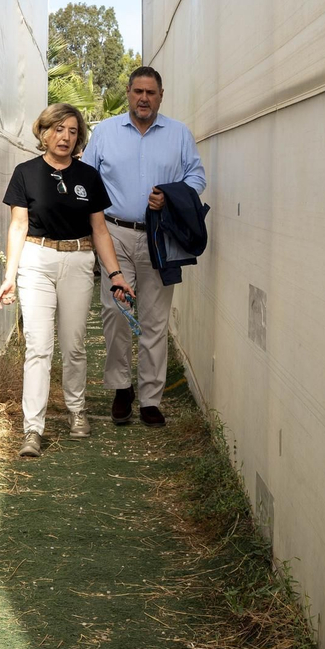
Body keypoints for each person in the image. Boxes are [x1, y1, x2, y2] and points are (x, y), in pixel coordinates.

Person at [0, 103, 135, 458]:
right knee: (39, 347)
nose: (65, 137)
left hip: (77, 261)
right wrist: (9, 276)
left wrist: (116, 274)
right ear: (44, 131)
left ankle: (77, 412)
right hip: (37, 261)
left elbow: (100, 230)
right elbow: (18, 225)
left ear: (79, 139)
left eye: (73, 132)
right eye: (59, 129)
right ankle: (33, 428)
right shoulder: (25, 173)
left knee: (73, 345)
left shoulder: (88, 177)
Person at [79, 67, 205, 427]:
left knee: (154, 318)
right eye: (138, 91)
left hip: (160, 236)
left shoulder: (179, 134)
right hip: (113, 233)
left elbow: (197, 176)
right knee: (116, 313)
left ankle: (150, 398)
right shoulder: (105, 133)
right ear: (129, 92)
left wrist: (171, 196)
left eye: (151, 92)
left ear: (161, 95)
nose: (144, 99)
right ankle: (122, 388)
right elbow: (87, 180)